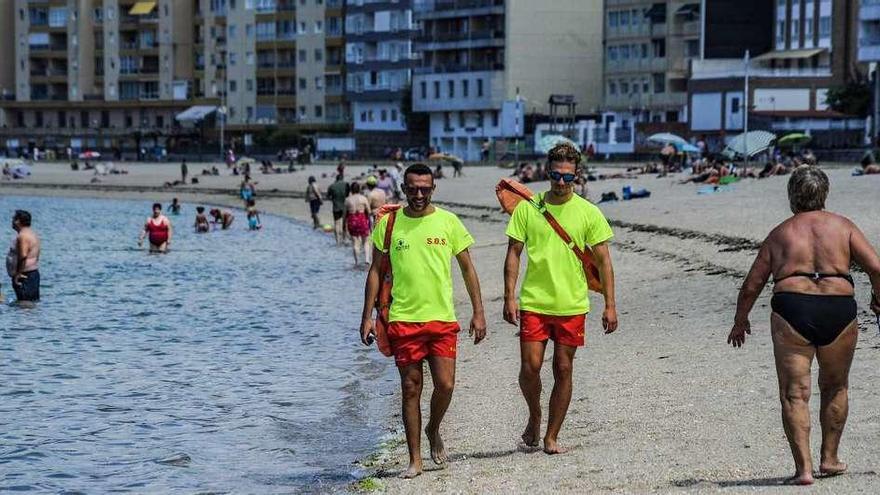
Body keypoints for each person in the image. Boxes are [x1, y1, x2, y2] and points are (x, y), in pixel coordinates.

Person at [728, 166, 880, 486]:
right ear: (823, 194)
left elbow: (752, 284)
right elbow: (876, 268)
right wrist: (878, 298)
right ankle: (830, 458)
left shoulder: (781, 233)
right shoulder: (843, 226)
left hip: (792, 309)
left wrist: (740, 321)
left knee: (794, 394)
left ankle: (804, 470)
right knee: (835, 386)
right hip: (838, 309)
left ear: (791, 196)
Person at [360, 163, 487, 479]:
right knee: (410, 387)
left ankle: (433, 428)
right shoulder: (389, 225)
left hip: (442, 318)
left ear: (433, 189)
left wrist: (479, 311)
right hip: (403, 319)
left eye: (425, 189)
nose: (419, 194)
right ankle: (415, 460)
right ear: (403, 188)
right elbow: (375, 271)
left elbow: (468, 269)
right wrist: (366, 317)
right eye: (413, 188)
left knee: (445, 385)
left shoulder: (448, 222)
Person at [503, 143, 618, 455]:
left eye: (568, 176)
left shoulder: (589, 212)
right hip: (534, 302)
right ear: (547, 172)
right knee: (530, 367)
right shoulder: (528, 208)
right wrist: (509, 297)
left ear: (577, 175)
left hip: (571, 305)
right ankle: (535, 415)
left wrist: (610, 305)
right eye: (555, 175)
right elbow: (513, 254)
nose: (561, 182)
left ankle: (551, 436)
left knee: (563, 369)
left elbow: (604, 262)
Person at [6, 210, 41, 303]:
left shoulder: (23, 236)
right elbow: (36, 256)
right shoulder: (32, 234)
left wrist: (18, 274)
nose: (12, 221)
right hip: (31, 274)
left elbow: (23, 256)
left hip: (24, 276)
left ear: (18, 221)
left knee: (25, 305)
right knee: (30, 303)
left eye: (14, 219)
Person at [343, 182, 371, 266]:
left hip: (352, 220)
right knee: (366, 241)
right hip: (362, 218)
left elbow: (344, 214)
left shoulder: (347, 199)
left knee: (355, 242)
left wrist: (344, 225)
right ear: (359, 189)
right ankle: (367, 259)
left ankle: (357, 262)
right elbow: (369, 211)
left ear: (351, 190)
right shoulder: (363, 198)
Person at [326, 174, 350, 244]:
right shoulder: (346, 184)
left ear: (336, 179)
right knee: (344, 223)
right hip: (344, 206)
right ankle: (344, 239)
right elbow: (347, 194)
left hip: (336, 206)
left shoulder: (332, 186)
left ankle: (338, 241)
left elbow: (328, 196)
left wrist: (333, 199)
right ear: (342, 178)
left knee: (336, 223)